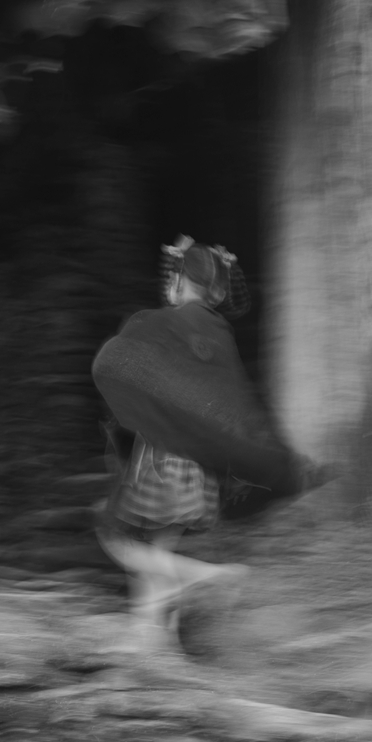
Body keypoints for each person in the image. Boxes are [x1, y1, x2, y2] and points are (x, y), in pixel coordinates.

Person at [95, 235, 251, 651]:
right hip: (196, 462)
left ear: (181, 280)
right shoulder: (217, 332)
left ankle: (214, 577)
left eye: (172, 277)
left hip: (163, 458)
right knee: (158, 546)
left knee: (117, 538)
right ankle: (151, 637)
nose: (167, 285)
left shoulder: (168, 325)